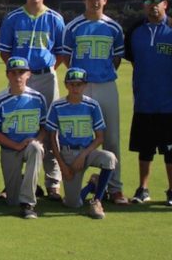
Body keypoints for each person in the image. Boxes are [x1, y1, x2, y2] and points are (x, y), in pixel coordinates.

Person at [123, 0, 172, 207]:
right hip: (143, 100)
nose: (153, 5)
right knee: (145, 149)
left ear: (165, 3)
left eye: (157, 1)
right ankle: (143, 189)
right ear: (144, 5)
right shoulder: (135, 30)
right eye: (148, 1)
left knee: (170, 150)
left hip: (169, 102)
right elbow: (134, 59)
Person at [0, 0, 66, 202]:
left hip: (46, 77)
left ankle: (53, 183)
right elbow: (5, 51)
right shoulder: (14, 18)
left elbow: (60, 53)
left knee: (50, 129)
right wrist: (20, 74)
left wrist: (45, 69)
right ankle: (18, 182)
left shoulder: (55, 18)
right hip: (20, 77)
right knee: (18, 124)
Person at [59, 0, 127, 205]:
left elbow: (116, 59)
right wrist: (79, 80)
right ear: (84, 0)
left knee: (112, 137)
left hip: (106, 85)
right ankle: (73, 177)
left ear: (105, 0)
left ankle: (115, 188)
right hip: (82, 86)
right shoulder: (74, 27)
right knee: (77, 133)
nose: (95, 1)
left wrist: (102, 73)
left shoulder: (114, 28)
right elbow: (67, 58)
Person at [45, 67, 118, 219]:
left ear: (85, 85)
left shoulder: (92, 105)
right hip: (68, 154)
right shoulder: (57, 106)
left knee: (109, 158)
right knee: (72, 203)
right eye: (72, 84)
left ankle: (97, 200)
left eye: (79, 84)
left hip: (88, 151)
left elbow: (99, 137)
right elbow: (52, 138)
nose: (75, 88)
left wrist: (83, 155)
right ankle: (92, 184)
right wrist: (62, 166)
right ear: (66, 85)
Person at [0, 56, 48, 219]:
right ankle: (25, 183)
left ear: (28, 74)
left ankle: (28, 204)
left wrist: (37, 140)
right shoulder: (0, 100)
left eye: (21, 72)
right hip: (10, 149)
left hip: (30, 146)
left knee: (36, 148)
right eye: (13, 73)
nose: (17, 77)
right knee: (12, 201)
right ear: (7, 75)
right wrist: (15, 146)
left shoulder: (38, 98)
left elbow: (45, 127)